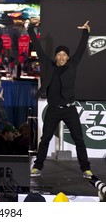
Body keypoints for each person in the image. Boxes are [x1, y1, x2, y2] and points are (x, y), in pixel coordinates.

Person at [27, 19, 92, 178]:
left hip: (70, 109)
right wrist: (30, 29)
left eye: (64, 55)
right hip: (54, 110)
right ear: (55, 56)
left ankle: (86, 168)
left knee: (79, 139)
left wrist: (86, 32)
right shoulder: (49, 65)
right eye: (59, 54)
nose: (62, 57)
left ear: (68, 57)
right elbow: (37, 46)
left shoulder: (73, 64)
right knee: (45, 139)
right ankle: (37, 166)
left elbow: (81, 49)